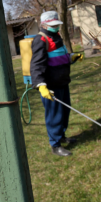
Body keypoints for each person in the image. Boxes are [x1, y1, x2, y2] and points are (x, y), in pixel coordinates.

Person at [30, 11, 82, 157]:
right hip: (51, 86)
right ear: (44, 24)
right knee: (54, 116)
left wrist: (71, 57)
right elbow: (36, 65)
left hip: (63, 82)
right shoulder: (41, 40)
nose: (56, 27)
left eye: (56, 25)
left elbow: (58, 57)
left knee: (65, 113)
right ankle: (55, 145)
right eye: (52, 25)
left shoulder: (57, 36)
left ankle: (62, 136)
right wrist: (41, 85)